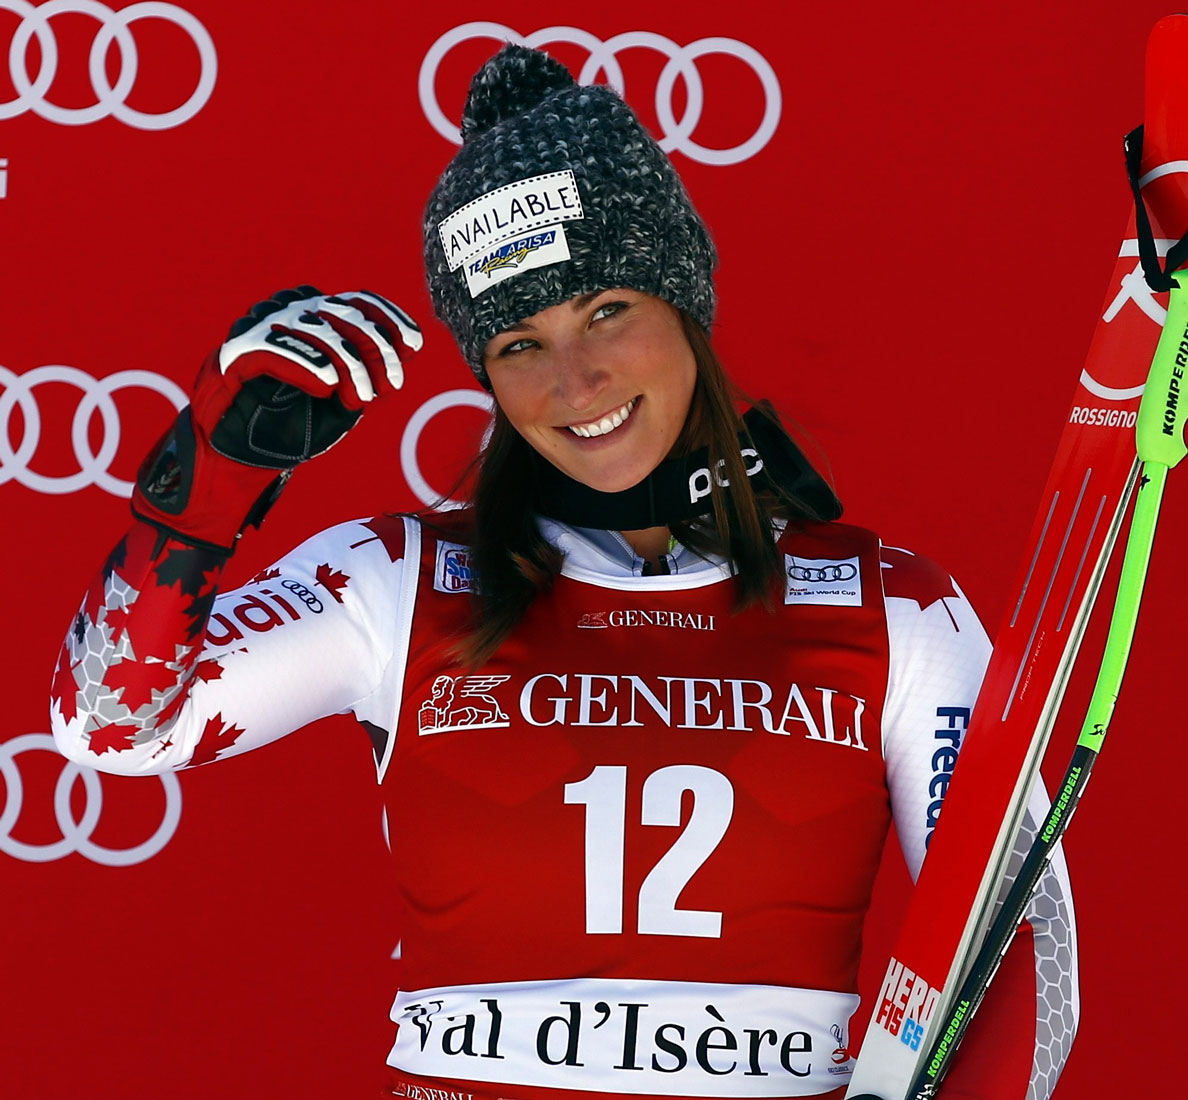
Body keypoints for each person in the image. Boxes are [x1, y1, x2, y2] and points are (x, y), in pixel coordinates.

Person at [51, 45, 1077, 1100]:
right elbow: (111, 727)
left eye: (605, 311)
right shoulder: (400, 582)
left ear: (685, 301)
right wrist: (207, 485)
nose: (572, 380)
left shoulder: (892, 608)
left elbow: (1022, 949)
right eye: (515, 343)